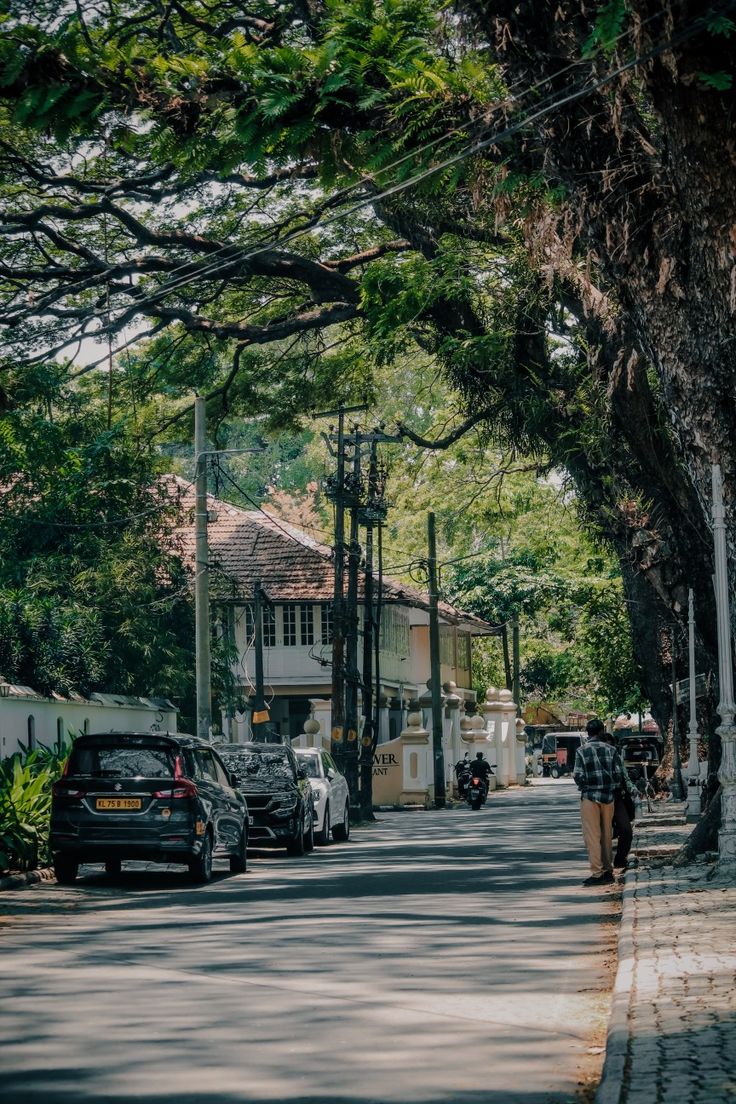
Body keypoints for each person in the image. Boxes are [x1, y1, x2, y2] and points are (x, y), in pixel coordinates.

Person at [573, 718, 628, 886]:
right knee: (606, 834)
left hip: (589, 797)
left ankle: (597, 873)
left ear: (588, 733)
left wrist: (587, 785)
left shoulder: (581, 751)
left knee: (592, 835)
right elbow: (619, 775)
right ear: (602, 732)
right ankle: (608, 870)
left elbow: (577, 775)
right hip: (608, 797)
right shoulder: (611, 750)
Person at [601, 732, 639, 870]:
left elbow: (624, 776)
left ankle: (620, 859)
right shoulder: (594, 757)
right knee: (603, 833)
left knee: (626, 830)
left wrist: (632, 788)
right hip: (601, 798)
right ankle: (604, 865)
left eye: (611, 746)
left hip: (617, 797)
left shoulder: (616, 756)